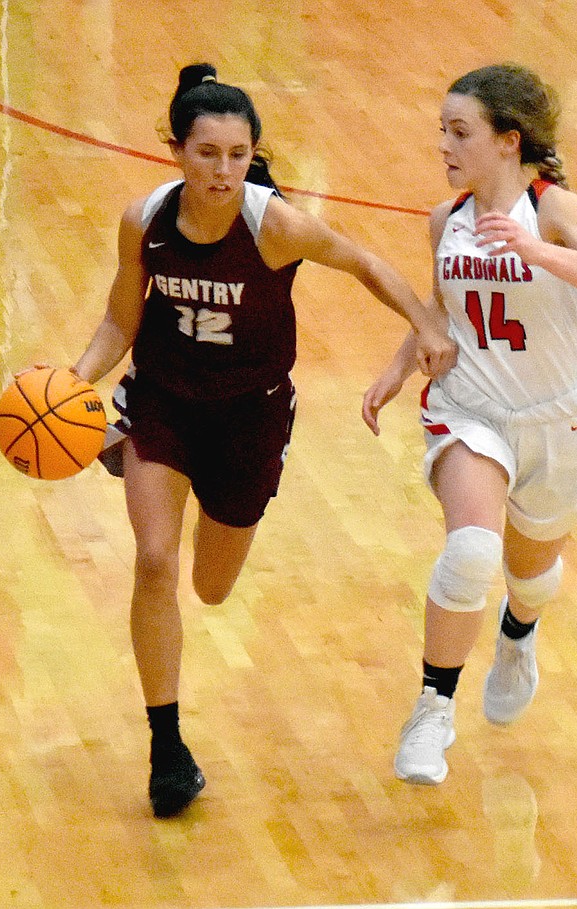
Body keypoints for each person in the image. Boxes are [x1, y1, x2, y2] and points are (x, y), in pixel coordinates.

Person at [69, 63, 456, 818]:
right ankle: (167, 749)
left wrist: (425, 319)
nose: (222, 169)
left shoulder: (273, 224)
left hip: (250, 415)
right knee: (153, 560)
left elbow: (365, 262)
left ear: (253, 156)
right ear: (175, 150)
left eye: (237, 154)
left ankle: (173, 724)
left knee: (211, 586)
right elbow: (121, 319)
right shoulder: (143, 220)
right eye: (206, 152)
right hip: (162, 404)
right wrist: (74, 378)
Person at [362, 63, 577, 785]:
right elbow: (443, 308)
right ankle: (433, 706)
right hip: (471, 410)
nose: (445, 146)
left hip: (558, 421)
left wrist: (540, 252)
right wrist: (399, 367)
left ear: (508, 141)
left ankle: (519, 633)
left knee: (528, 572)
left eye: (460, 133)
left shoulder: (554, 210)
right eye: (443, 131)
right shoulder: (445, 219)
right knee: (470, 553)